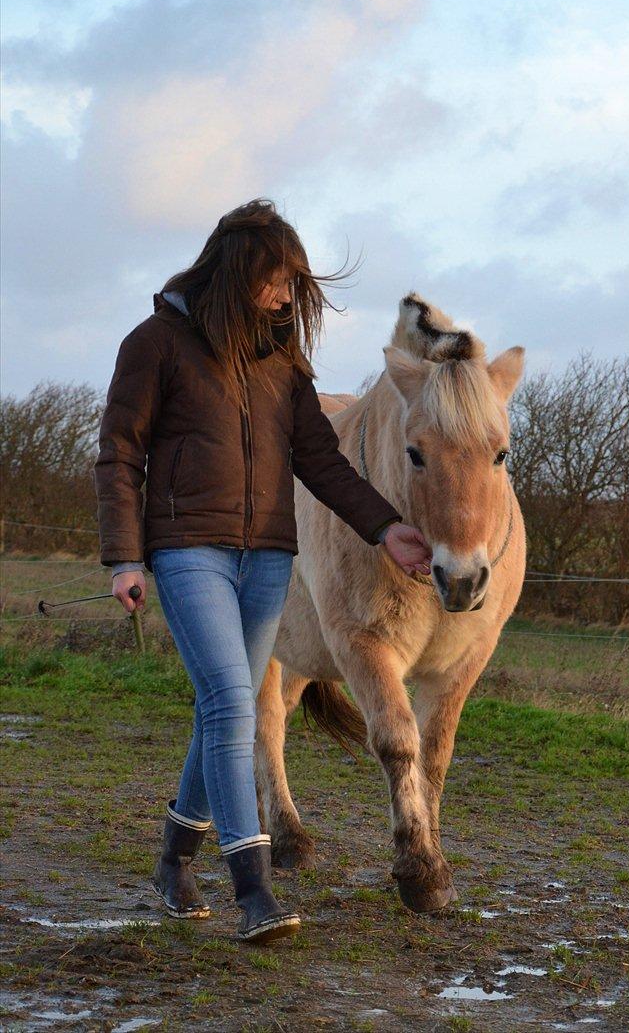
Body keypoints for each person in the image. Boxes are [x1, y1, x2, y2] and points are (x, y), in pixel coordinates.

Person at [94, 198, 433, 944]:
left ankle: (174, 859)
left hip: (268, 559)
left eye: (293, 286)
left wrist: (387, 529)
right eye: (278, 281)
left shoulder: (281, 362)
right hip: (188, 553)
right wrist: (123, 555)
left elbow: (318, 459)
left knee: (228, 705)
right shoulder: (154, 343)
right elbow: (120, 454)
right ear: (240, 268)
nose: (286, 298)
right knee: (233, 706)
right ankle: (254, 891)